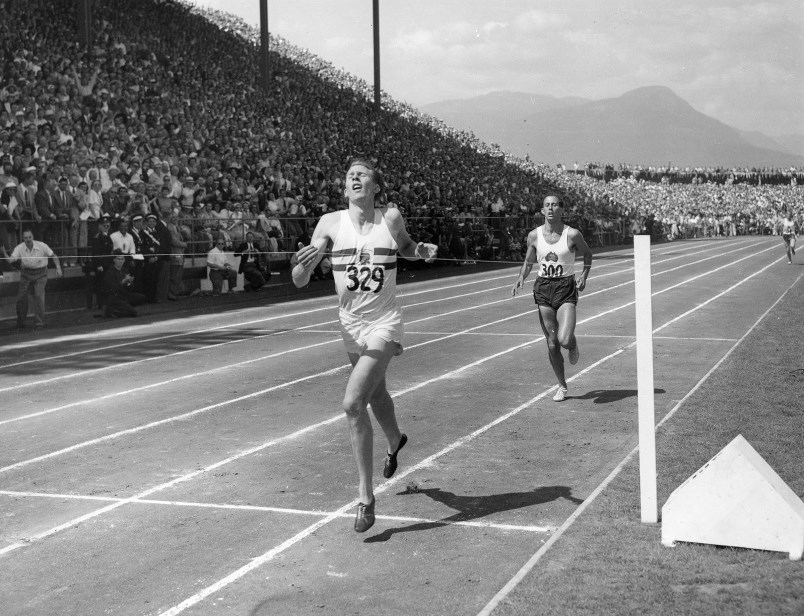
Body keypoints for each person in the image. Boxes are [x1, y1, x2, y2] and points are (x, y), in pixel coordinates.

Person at [292, 158, 437, 533]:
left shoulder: (389, 217)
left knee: (353, 402)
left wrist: (419, 251)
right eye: (350, 176)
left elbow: (405, 247)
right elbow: (298, 281)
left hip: (384, 322)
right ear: (345, 189)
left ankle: (365, 498)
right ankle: (395, 441)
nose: (355, 179)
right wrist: (303, 265)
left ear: (375, 187)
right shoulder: (329, 223)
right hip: (350, 324)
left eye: (363, 176)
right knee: (376, 396)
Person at [512, 195, 593, 402]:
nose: (550, 208)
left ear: (561, 210)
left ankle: (573, 345)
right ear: (542, 210)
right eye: (546, 205)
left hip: (565, 287)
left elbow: (588, 254)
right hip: (543, 288)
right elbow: (529, 261)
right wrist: (521, 277)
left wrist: (583, 275)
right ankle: (562, 386)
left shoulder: (572, 234)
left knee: (564, 339)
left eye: (554, 205)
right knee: (551, 344)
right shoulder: (534, 235)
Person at [9, 229, 63, 328]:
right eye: (26, 238)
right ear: (23, 238)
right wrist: (5, 255)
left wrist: (58, 268)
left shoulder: (42, 245)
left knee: (38, 296)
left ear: (33, 237)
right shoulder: (19, 247)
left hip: (41, 273)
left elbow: (54, 256)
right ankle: (20, 322)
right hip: (26, 273)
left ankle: (40, 323)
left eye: (29, 237)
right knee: (21, 298)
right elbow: (11, 259)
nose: (28, 239)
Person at [102, 249, 146, 317]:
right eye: (118, 259)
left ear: (124, 260)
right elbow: (112, 290)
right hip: (114, 298)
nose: (120, 261)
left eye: (122, 259)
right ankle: (111, 311)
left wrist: (129, 283)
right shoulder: (110, 272)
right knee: (134, 313)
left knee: (141, 297)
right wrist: (123, 282)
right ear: (114, 260)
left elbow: (130, 289)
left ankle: (122, 308)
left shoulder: (125, 270)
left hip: (124, 296)